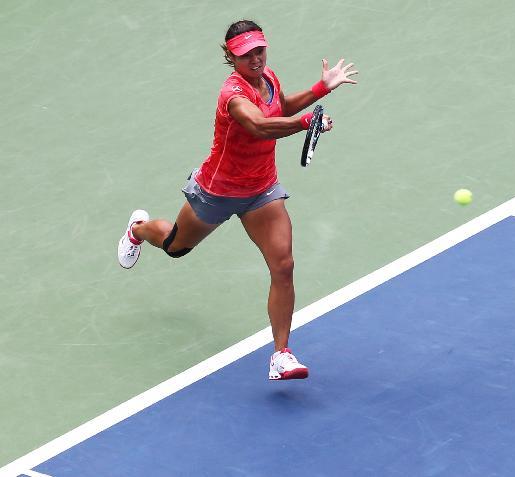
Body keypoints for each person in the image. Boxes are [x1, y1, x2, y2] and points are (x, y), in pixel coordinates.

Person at [116, 20, 358, 380]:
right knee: (175, 247)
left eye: (259, 49)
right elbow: (260, 125)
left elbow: (280, 108)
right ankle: (138, 228)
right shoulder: (233, 95)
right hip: (218, 191)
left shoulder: (270, 78)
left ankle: (281, 355)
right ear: (231, 56)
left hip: (261, 190)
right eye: (246, 54)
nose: (255, 58)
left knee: (284, 266)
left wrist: (321, 88)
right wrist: (305, 123)